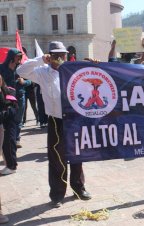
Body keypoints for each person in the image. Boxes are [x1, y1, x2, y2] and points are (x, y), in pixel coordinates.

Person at [16, 41, 91, 208]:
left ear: (66, 55)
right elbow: (20, 70)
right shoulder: (42, 72)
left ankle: (79, 188)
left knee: (77, 155)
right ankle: (57, 194)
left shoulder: (73, 70)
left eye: (62, 55)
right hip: (56, 120)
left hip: (74, 119)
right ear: (50, 56)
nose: (59, 58)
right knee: (57, 158)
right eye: (55, 55)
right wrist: (40, 60)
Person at [0, 48, 22, 175]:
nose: (19, 59)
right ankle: (9, 163)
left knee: (9, 137)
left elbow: (28, 81)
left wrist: (23, 82)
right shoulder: (2, 68)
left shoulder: (18, 70)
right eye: (17, 57)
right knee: (6, 137)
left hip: (11, 105)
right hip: (4, 103)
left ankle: (11, 165)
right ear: (12, 57)